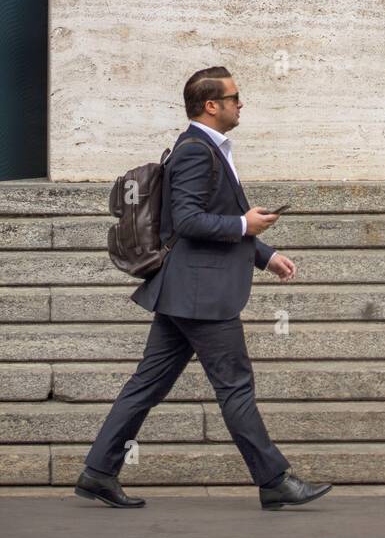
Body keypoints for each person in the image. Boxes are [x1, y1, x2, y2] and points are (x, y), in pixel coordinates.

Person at [74, 66, 333, 511]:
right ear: (211, 105)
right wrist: (242, 223)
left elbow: (208, 219)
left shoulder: (204, 147)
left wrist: (264, 253)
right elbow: (189, 220)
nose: (240, 103)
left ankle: (98, 472)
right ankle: (274, 480)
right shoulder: (196, 150)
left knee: (146, 385)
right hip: (201, 294)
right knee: (234, 385)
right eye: (234, 97)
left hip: (185, 291)